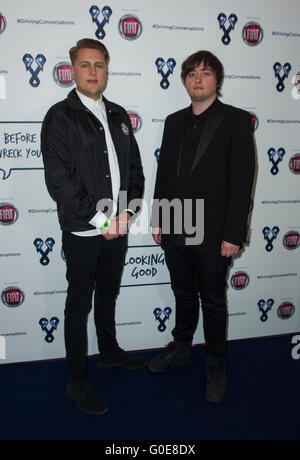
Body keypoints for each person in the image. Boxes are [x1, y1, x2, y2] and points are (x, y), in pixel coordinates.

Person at [41, 38, 145, 415]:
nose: (93, 72)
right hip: (86, 232)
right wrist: (103, 221)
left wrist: (128, 215)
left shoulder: (117, 115)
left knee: (109, 294)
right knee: (78, 304)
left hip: (117, 229)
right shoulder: (59, 116)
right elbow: (60, 183)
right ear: (72, 69)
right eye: (85, 65)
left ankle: (110, 352)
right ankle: (76, 380)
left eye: (99, 65)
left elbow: (135, 171)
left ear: (107, 69)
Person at [150, 51, 255, 403]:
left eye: (206, 73)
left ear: (217, 81)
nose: (198, 78)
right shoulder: (173, 121)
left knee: (212, 301)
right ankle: (181, 348)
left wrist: (233, 234)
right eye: (192, 73)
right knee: (182, 293)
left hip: (214, 233)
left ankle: (216, 365)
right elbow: (164, 174)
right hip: (176, 227)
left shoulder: (236, 121)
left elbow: (242, 182)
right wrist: (158, 218)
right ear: (184, 81)